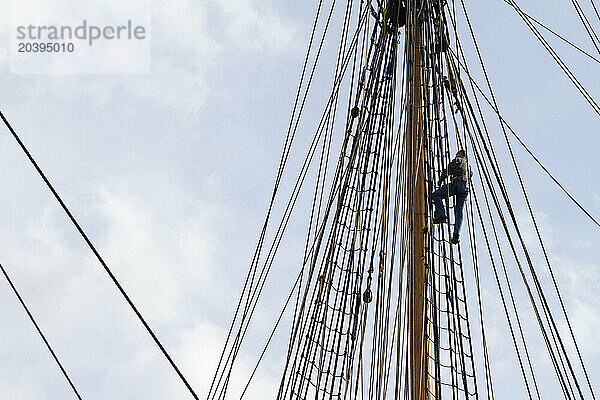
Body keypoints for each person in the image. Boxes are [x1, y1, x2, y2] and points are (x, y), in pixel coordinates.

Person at [431, 150, 472, 244]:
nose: (456, 154)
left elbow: (449, 170)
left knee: (436, 195)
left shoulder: (458, 160)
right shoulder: (468, 167)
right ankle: (456, 235)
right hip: (465, 189)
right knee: (459, 212)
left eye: (457, 153)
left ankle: (441, 215)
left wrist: (441, 180)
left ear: (460, 154)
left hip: (457, 184)